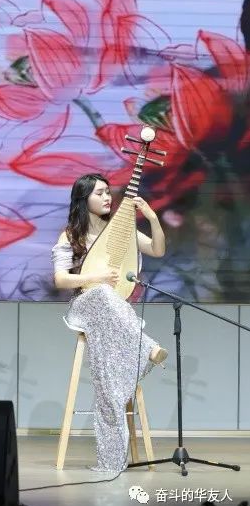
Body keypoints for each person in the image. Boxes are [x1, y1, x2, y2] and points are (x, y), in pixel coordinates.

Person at [52, 173, 167, 472]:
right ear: (84, 199)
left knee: (109, 377)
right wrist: (97, 277)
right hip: (84, 305)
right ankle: (147, 347)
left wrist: (152, 218)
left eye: (108, 192)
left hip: (114, 313)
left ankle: (112, 458)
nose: (107, 197)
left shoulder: (121, 230)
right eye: (99, 193)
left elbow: (157, 250)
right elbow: (61, 279)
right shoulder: (71, 235)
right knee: (103, 292)